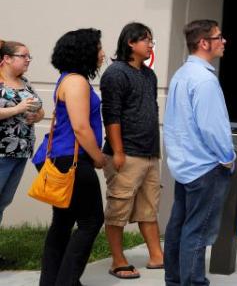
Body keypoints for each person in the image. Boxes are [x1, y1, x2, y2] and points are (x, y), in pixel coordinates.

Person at [163, 20, 236, 286]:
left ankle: (174, 281)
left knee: (179, 228)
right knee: (197, 232)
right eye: (219, 37)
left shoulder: (182, 74)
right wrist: (228, 158)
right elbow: (213, 128)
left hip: (184, 167)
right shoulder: (205, 80)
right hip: (206, 168)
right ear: (204, 43)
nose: (224, 41)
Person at [39, 29, 108, 286]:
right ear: (85, 51)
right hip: (73, 159)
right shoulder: (77, 81)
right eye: (98, 48)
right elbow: (81, 127)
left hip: (62, 157)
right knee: (92, 221)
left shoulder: (68, 79)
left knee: (63, 222)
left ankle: (52, 281)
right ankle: (66, 281)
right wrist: (99, 157)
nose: (102, 53)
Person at [101, 23, 164, 279]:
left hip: (150, 154)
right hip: (126, 154)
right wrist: (117, 151)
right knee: (118, 209)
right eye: (146, 40)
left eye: (151, 41)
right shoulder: (116, 73)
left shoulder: (149, 75)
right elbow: (111, 115)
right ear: (131, 43)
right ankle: (117, 260)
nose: (150, 45)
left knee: (149, 208)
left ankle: (157, 256)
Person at [0, 40, 45, 266]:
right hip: (1, 152)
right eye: (23, 56)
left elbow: (39, 108)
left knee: (2, 201)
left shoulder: (24, 82)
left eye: (29, 56)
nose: (28, 60)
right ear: (7, 58)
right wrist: (17, 109)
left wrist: (36, 116)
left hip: (20, 152)